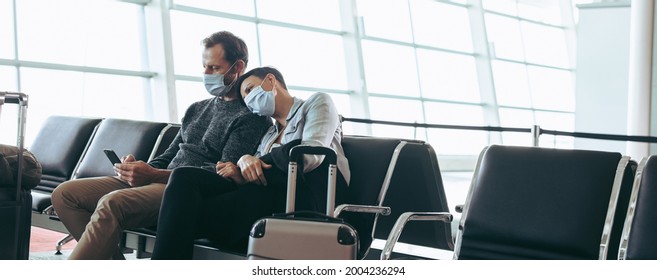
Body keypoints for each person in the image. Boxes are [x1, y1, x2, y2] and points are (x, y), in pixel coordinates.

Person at [50, 31, 272, 260]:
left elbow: (218, 176)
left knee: (112, 203)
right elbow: (171, 153)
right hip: (159, 179)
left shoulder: (251, 117)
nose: (206, 74)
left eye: (214, 68)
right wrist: (139, 167)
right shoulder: (197, 108)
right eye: (204, 66)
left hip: (180, 191)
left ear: (238, 67)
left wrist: (154, 174)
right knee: (65, 194)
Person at [150, 66, 350, 259]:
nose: (251, 101)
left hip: (307, 197)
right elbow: (253, 170)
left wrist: (255, 162)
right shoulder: (270, 133)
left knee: (186, 215)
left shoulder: (316, 102)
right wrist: (241, 166)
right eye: (246, 100)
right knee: (184, 176)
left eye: (250, 90)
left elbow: (310, 156)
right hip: (265, 194)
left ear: (271, 80)